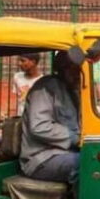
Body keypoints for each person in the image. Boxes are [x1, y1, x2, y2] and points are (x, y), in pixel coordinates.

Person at [20, 51, 81, 184]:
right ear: (61, 69)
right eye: (73, 68)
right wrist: (74, 139)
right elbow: (39, 126)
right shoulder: (45, 88)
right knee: (86, 165)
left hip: (67, 153)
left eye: (79, 68)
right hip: (42, 158)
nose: (77, 73)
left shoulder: (74, 90)